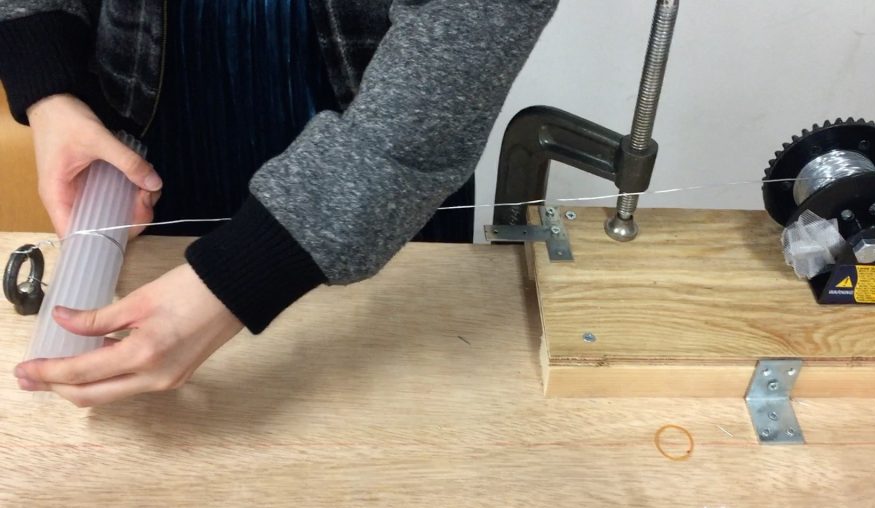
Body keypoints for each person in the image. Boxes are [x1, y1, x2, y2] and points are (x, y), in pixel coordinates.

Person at [0, 0, 558, 406]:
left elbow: (473, 16)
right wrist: (48, 83)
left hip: (387, 138)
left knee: (403, 413)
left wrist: (246, 271)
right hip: (153, 133)